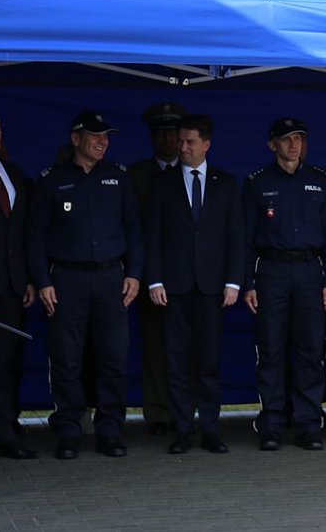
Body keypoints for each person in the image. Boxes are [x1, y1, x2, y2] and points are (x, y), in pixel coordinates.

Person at [30, 111, 143, 459]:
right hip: (67, 280)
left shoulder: (118, 178)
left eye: (106, 136)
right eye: (95, 135)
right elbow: (35, 235)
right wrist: (43, 280)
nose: (102, 141)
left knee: (112, 357)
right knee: (66, 358)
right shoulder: (52, 179)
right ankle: (68, 429)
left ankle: (109, 429)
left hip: (111, 278)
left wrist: (134, 273)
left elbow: (134, 229)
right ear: (75, 138)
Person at [144, 114, 243, 454]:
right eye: (180, 141)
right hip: (174, 286)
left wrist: (233, 281)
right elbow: (152, 235)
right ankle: (183, 429)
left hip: (213, 286)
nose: (182, 147)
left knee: (209, 361)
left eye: (189, 142)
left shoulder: (226, 183)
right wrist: (154, 279)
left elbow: (235, 236)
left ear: (206, 145)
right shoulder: (163, 182)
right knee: (177, 360)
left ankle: (210, 428)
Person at [243, 118, 326, 451]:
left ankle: (309, 423)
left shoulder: (321, 180)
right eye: (286, 139)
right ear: (273, 145)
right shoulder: (257, 182)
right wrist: (248, 283)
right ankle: (271, 423)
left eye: (299, 138)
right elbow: (245, 239)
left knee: (310, 350)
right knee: (271, 350)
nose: (293, 145)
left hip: (310, 272)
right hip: (271, 272)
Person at [129, 101, 186, 437]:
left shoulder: (198, 172)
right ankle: (158, 412)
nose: (166, 139)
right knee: (155, 346)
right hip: (153, 275)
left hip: (193, 276)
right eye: (160, 132)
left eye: (172, 132)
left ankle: (186, 410)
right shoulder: (136, 176)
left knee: (189, 348)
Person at [0, 104, 36, 459]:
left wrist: (28, 278)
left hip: (10, 285)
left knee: (5, 363)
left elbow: (22, 232)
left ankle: (4, 431)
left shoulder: (10, 172)